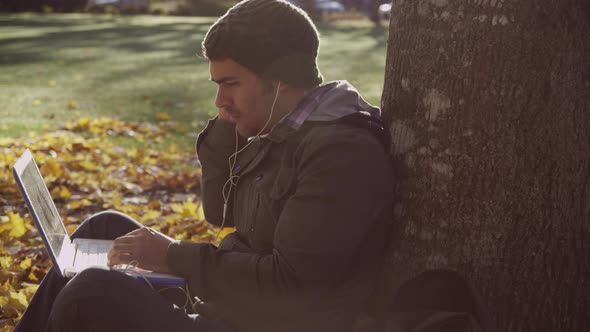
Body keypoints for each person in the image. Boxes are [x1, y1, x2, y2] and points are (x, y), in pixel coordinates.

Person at [15, 0, 394, 331]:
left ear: (280, 81)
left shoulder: (341, 153)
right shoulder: (279, 129)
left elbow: (291, 286)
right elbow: (219, 211)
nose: (219, 100)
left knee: (89, 292)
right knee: (104, 227)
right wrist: (233, 125)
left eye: (230, 83)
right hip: (234, 309)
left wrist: (172, 256)